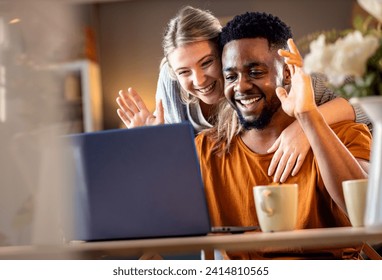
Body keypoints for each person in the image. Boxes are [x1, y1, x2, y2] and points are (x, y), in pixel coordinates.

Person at [116, 6, 370, 183]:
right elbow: (176, 179)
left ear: (227, 55)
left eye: (207, 63)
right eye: (184, 71)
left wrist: (303, 125)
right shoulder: (171, 86)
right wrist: (150, 145)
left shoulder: (278, 85)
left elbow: (367, 98)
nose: (199, 80)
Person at [194, 11, 372, 260]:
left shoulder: (346, 133)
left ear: (287, 73)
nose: (241, 86)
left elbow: (366, 214)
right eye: (231, 76)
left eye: (255, 72)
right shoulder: (205, 150)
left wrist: (308, 117)